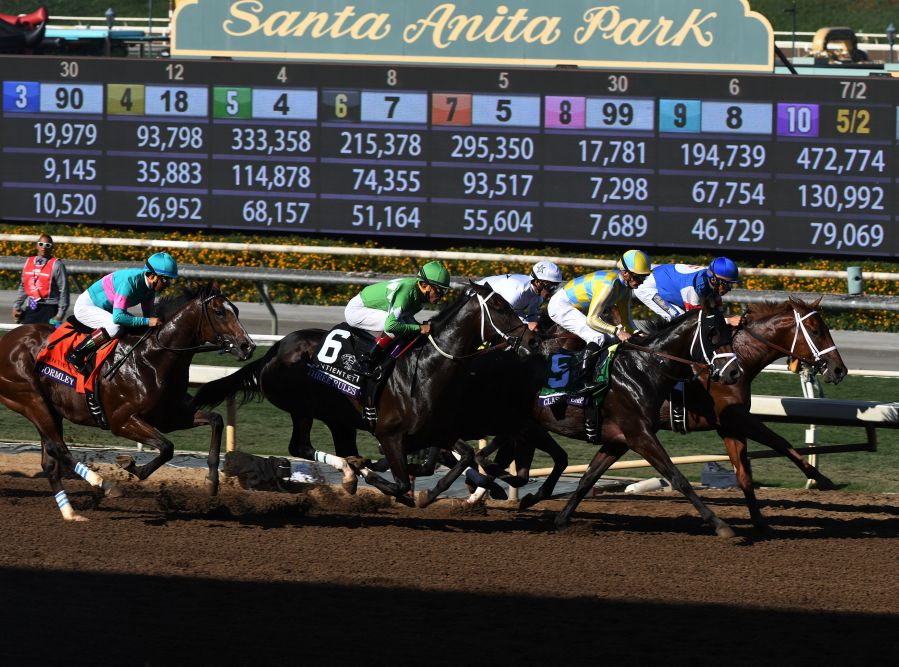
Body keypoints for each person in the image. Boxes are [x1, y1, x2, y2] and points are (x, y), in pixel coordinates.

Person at [547, 249, 652, 392]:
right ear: (625, 273)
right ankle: (581, 381)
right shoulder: (609, 284)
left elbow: (628, 323)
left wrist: (642, 335)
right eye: (638, 277)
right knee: (596, 337)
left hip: (578, 308)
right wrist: (617, 331)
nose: (641, 282)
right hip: (561, 305)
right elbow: (592, 320)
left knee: (612, 339)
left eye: (643, 277)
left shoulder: (625, 289)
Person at [65, 252, 179, 372]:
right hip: (87, 306)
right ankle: (76, 353)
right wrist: (147, 321)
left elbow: (148, 315)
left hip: (106, 309)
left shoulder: (150, 289)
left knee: (137, 328)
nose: (168, 284)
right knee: (115, 327)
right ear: (152, 276)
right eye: (166, 280)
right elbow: (118, 318)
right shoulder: (129, 283)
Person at [344, 260, 452, 378]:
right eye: (439, 290)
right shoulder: (407, 293)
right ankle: (365, 360)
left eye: (444, 291)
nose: (441, 296)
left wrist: (419, 327)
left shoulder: (420, 294)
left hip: (374, 308)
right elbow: (390, 326)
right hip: (357, 310)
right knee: (399, 327)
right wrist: (419, 327)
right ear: (425, 285)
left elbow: (407, 317)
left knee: (411, 329)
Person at [634, 256, 742, 326]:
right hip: (647, 287)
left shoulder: (711, 283)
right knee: (680, 320)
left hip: (666, 278)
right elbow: (695, 321)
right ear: (714, 279)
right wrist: (728, 321)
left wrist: (730, 318)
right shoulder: (693, 288)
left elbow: (719, 313)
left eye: (731, 284)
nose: (729, 289)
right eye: (726, 284)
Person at [476, 260, 564, 331]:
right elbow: (503, 316)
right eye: (550, 286)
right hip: (477, 295)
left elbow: (531, 318)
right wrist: (527, 324)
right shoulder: (519, 290)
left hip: (495, 305)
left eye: (555, 286)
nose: (552, 290)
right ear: (538, 282)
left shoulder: (538, 296)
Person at [12, 233, 69, 326]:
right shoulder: (28, 262)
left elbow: (64, 291)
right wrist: (16, 306)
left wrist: (60, 314)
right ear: (37, 246)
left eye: (48, 245)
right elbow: (23, 286)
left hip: (50, 308)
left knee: (47, 339)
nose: (44, 247)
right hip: (32, 305)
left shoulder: (57, 265)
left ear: (52, 247)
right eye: (41, 244)